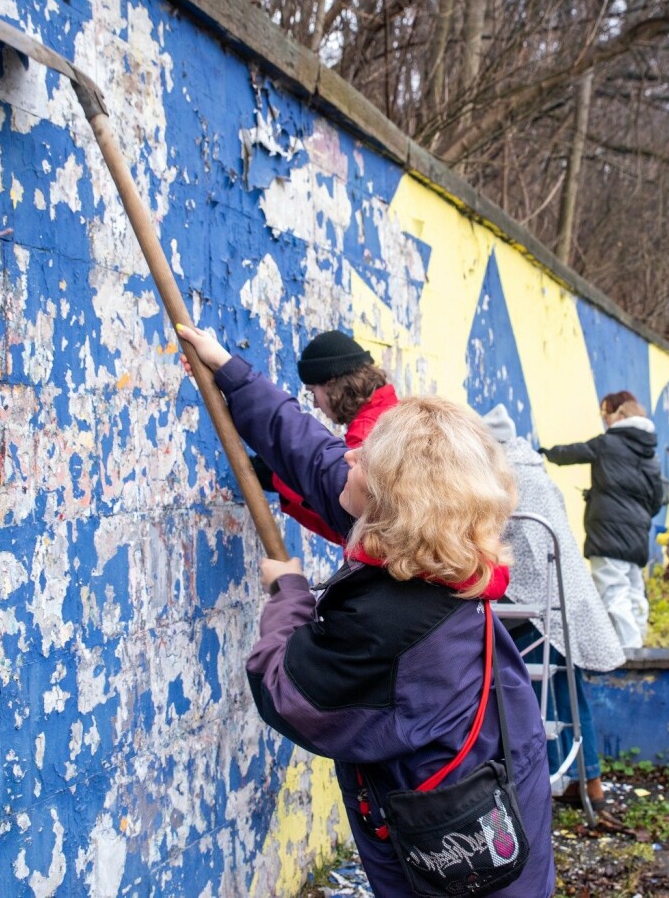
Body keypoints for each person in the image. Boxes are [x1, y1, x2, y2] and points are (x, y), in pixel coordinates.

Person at [177, 324, 556, 896]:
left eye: (365, 458)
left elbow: (287, 692)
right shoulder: (446, 558)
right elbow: (316, 455)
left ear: (390, 497)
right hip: (509, 819)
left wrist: (290, 596)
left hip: (452, 860)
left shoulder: (389, 619)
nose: (349, 451)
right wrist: (231, 371)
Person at [483, 404, 625, 808]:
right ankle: (589, 783)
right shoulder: (534, 470)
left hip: (530, 604)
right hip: (561, 596)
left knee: (534, 700)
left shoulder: (499, 477)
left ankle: (542, 788)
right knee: (568, 693)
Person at [539, 391, 666, 650]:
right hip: (638, 532)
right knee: (633, 588)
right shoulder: (649, 454)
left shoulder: (608, 443)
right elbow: (657, 499)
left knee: (612, 591)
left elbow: (573, 453)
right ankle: (640, 643)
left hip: (608, 531)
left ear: (620, 415)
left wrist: (545, 453)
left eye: (606, 414)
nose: (604, 419)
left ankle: (628, 651)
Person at [254, 329, 398, 545]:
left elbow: (348, 524)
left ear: (331, 384)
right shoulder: (390, 413)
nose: (314, 404)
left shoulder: (367, 434)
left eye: (313, 392)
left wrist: (279, 480)